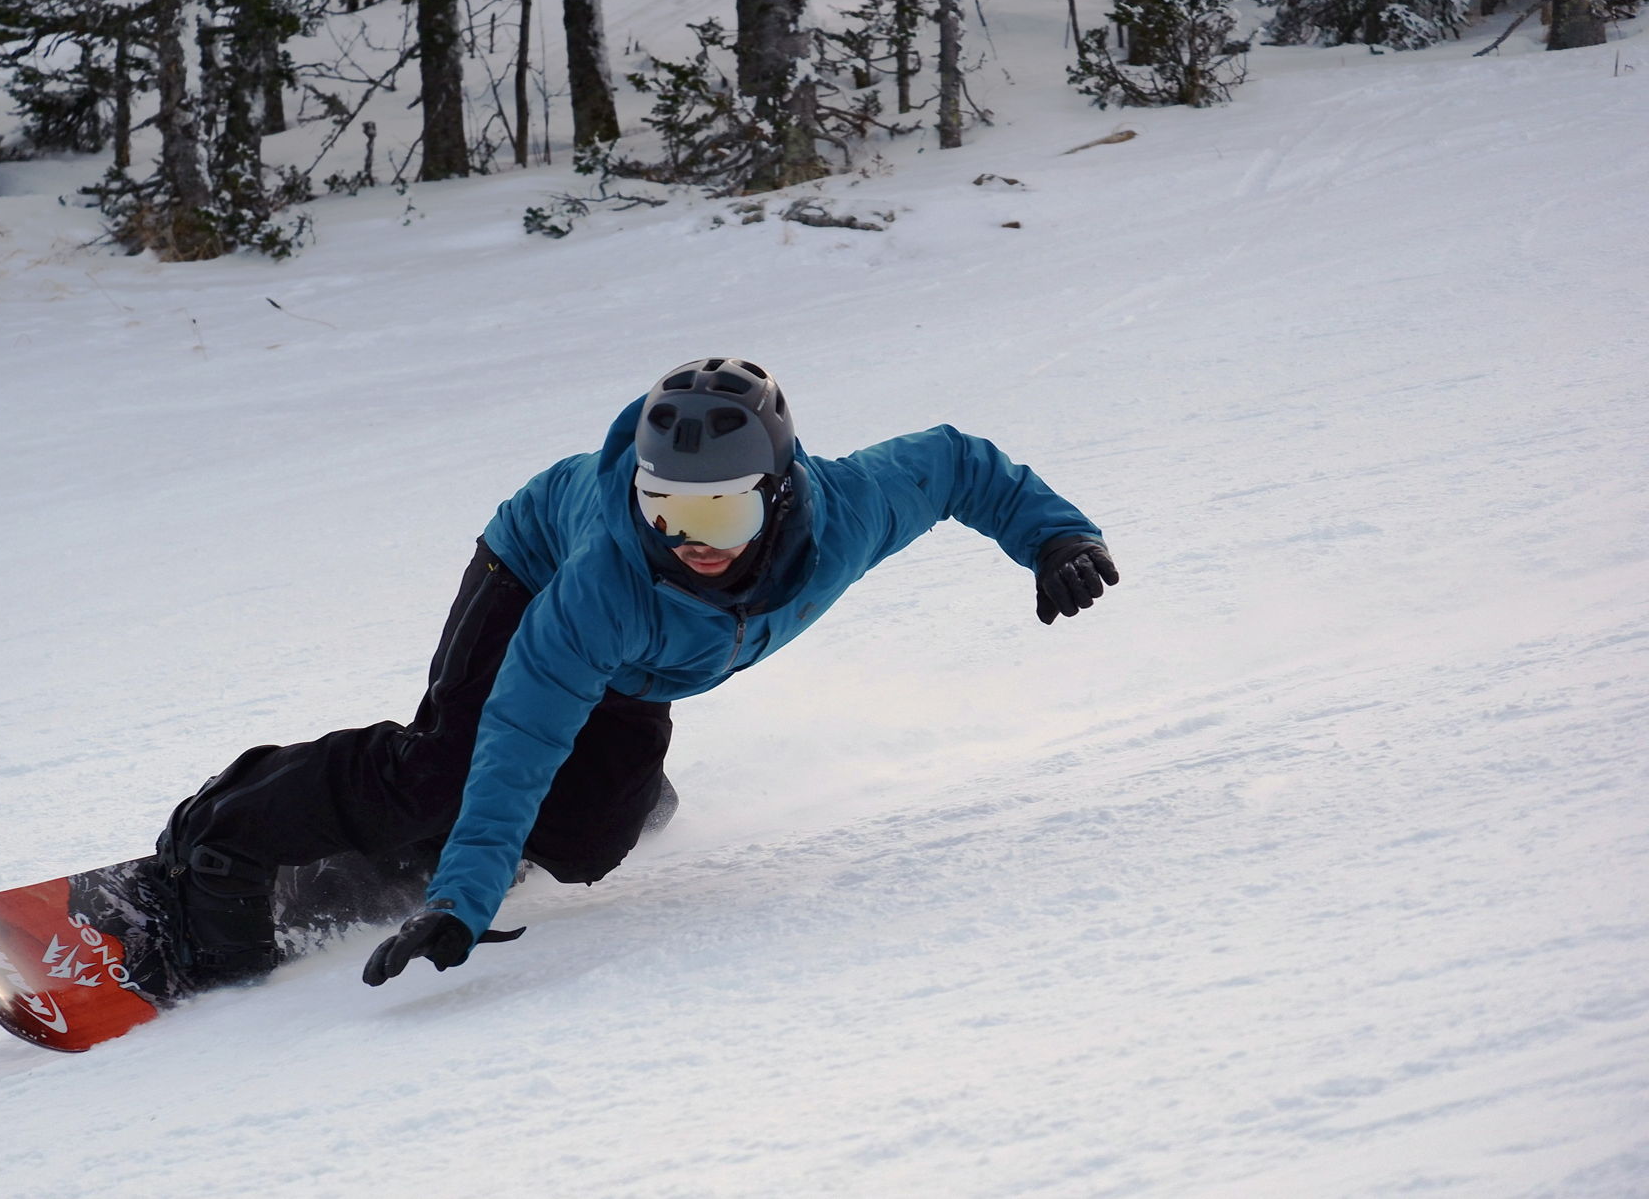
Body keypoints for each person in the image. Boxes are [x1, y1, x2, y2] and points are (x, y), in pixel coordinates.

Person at [117, 358, 1117, 1001]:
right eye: (664, 510)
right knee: (445, 769)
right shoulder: (605, 578)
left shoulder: (848, 514)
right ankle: (222, 838)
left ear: (778, 495)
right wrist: (464, 904)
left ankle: (437, 850)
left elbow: (955, 463)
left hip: (646, 667)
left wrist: (1055, 536)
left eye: (719, 517)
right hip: (530, 574)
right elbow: (517, 739)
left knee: (593, 844)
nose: (688, 542)